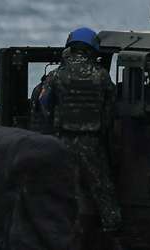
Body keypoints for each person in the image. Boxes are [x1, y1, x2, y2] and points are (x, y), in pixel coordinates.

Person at [41, 27, 123, 240]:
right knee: (102, 186)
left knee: (60, 185)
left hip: (63, 139)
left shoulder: (56, 75)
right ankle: (111, 231)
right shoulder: (101, 76)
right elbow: (111, 109)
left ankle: (58, 229)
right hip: (91, 140)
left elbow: (44, 104)